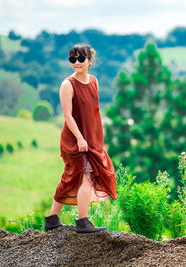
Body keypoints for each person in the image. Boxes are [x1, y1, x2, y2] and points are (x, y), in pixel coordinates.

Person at [44, 43, 118, 233]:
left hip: (90, 138)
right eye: (72, 59)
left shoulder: (94, 81)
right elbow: (68, 116)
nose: (76, 63)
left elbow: (93, 113)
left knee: (71, 177)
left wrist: (96, 140)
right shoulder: (67, 84)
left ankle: (52, 219)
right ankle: (83, 222)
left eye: (80, 59)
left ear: (90, 61)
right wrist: (80, 139)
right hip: (74, 139)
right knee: (86, 176)